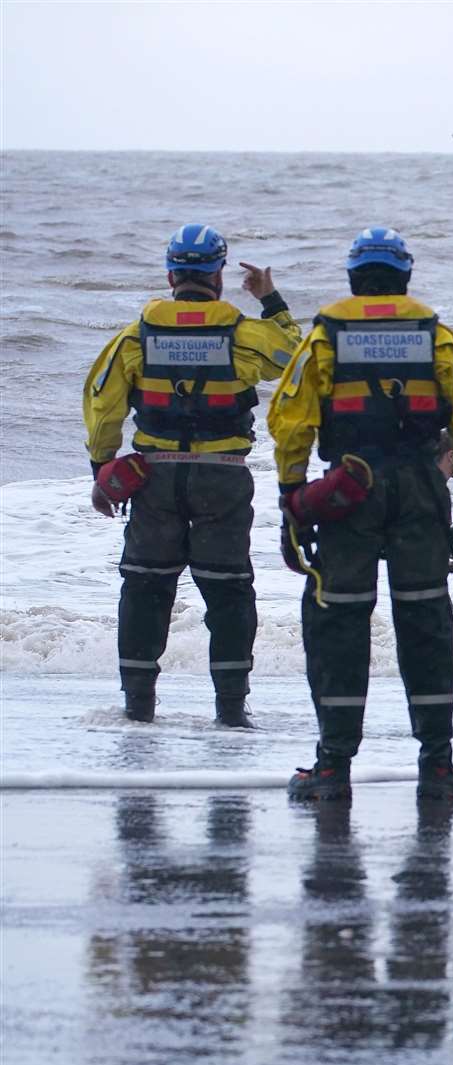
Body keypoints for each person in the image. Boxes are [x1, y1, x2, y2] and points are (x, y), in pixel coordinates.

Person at [268, 227, 453, 803]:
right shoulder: (436, 337)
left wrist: (292, 503)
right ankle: (438, 767)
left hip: (348, 490)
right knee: (424, 622)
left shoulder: (325, 336)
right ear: (405, 277)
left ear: (353, 277)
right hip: (422, 490)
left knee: (337, 621)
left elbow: (290, 421)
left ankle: (331, 768)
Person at [83, 224, 301, 727]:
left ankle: (137, 709)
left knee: (144, 588)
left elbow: (101, 403)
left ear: (170, 274)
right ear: (219, 276)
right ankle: (230, 712)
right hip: (222, 478)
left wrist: (101, 471)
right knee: (228, 591)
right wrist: (272, 302)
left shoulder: (134, 337)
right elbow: (300, 362)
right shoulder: (245, 335)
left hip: (152, 480)